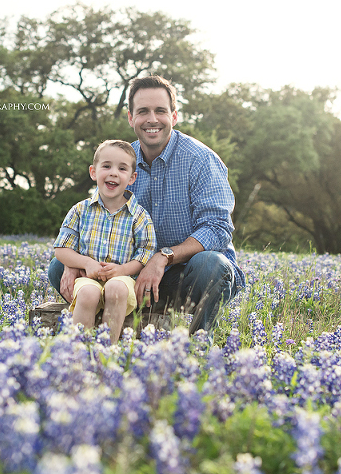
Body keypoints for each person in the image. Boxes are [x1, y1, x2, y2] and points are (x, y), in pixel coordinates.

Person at [48, 75, 245, 335]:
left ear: (174, 116)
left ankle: (199, 339)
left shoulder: (200, 159)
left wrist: (163, 257)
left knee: (212, 266)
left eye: (160, 111)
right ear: (131, 118)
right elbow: (96, 217)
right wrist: (79, 262)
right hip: (129, 273)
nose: (152, 119)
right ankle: (104, 325)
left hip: (185, 273)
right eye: (143, 111)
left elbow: (217, 229)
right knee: (58, 267)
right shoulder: (120, 161)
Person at [53, 139, 157, 342]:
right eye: (106, 166)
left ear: (132, 177)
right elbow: (61, 250)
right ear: (93, 172)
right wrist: (86, 263)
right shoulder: (80, 210)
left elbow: (146, 253)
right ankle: (78, 352)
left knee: (116, 289)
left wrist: (123, 270)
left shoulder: (139, 216)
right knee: (88, 294)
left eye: (122, 168)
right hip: (88, 278)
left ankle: (107, 351)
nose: (113, 173)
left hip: (122, 280)